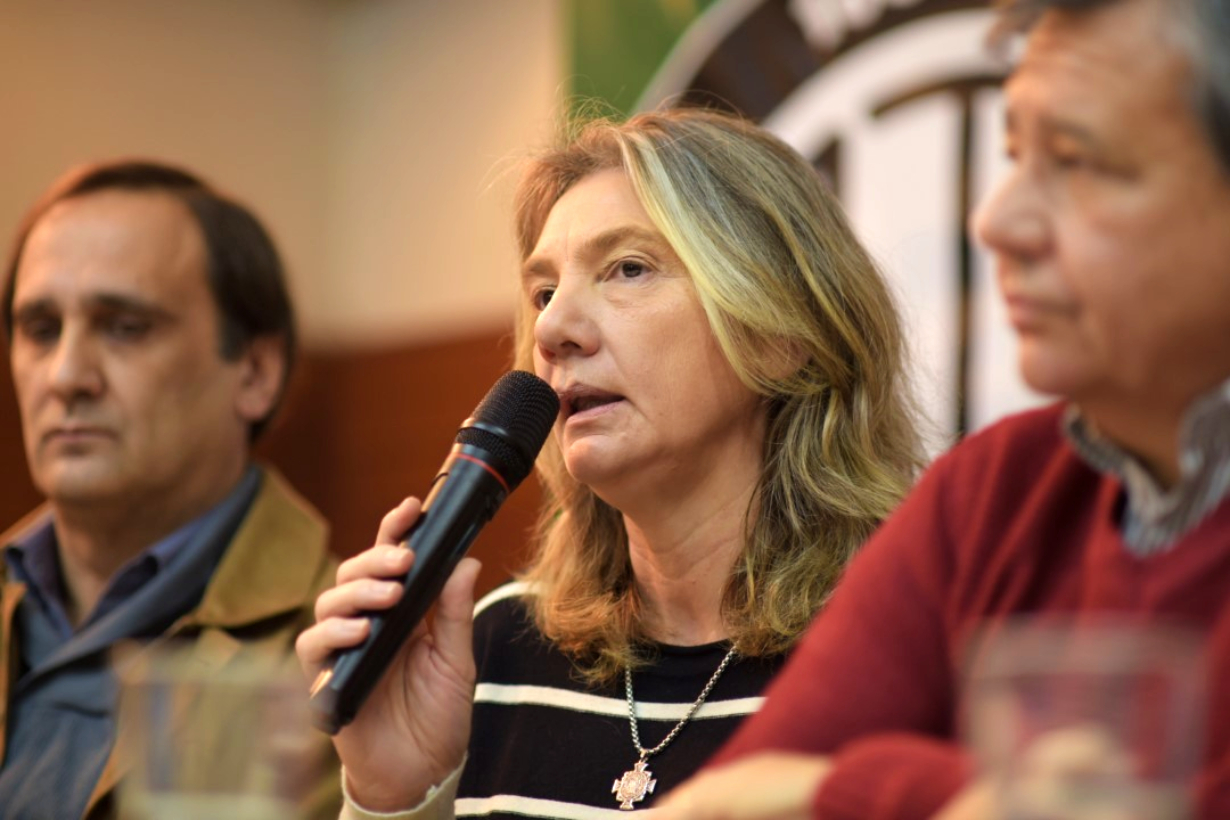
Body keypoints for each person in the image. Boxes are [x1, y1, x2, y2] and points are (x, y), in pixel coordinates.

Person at [654, 0, 1230, 818]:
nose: (995, 221)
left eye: (1077, 162)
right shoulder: (994, 492)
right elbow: (711, 809)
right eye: (1014, 156)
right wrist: (965, 795)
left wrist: (827, 791)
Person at [295, 108, 924, 820]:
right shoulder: (485, 651)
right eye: (542, 293)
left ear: (782, 332)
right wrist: (395, 796)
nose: (554, 329)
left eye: (628, 268)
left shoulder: (917, 650)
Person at [0, 160, 339, 819]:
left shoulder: (338, 660)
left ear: (256, 371)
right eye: (40, 330)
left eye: (125, 327)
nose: (66, 375)